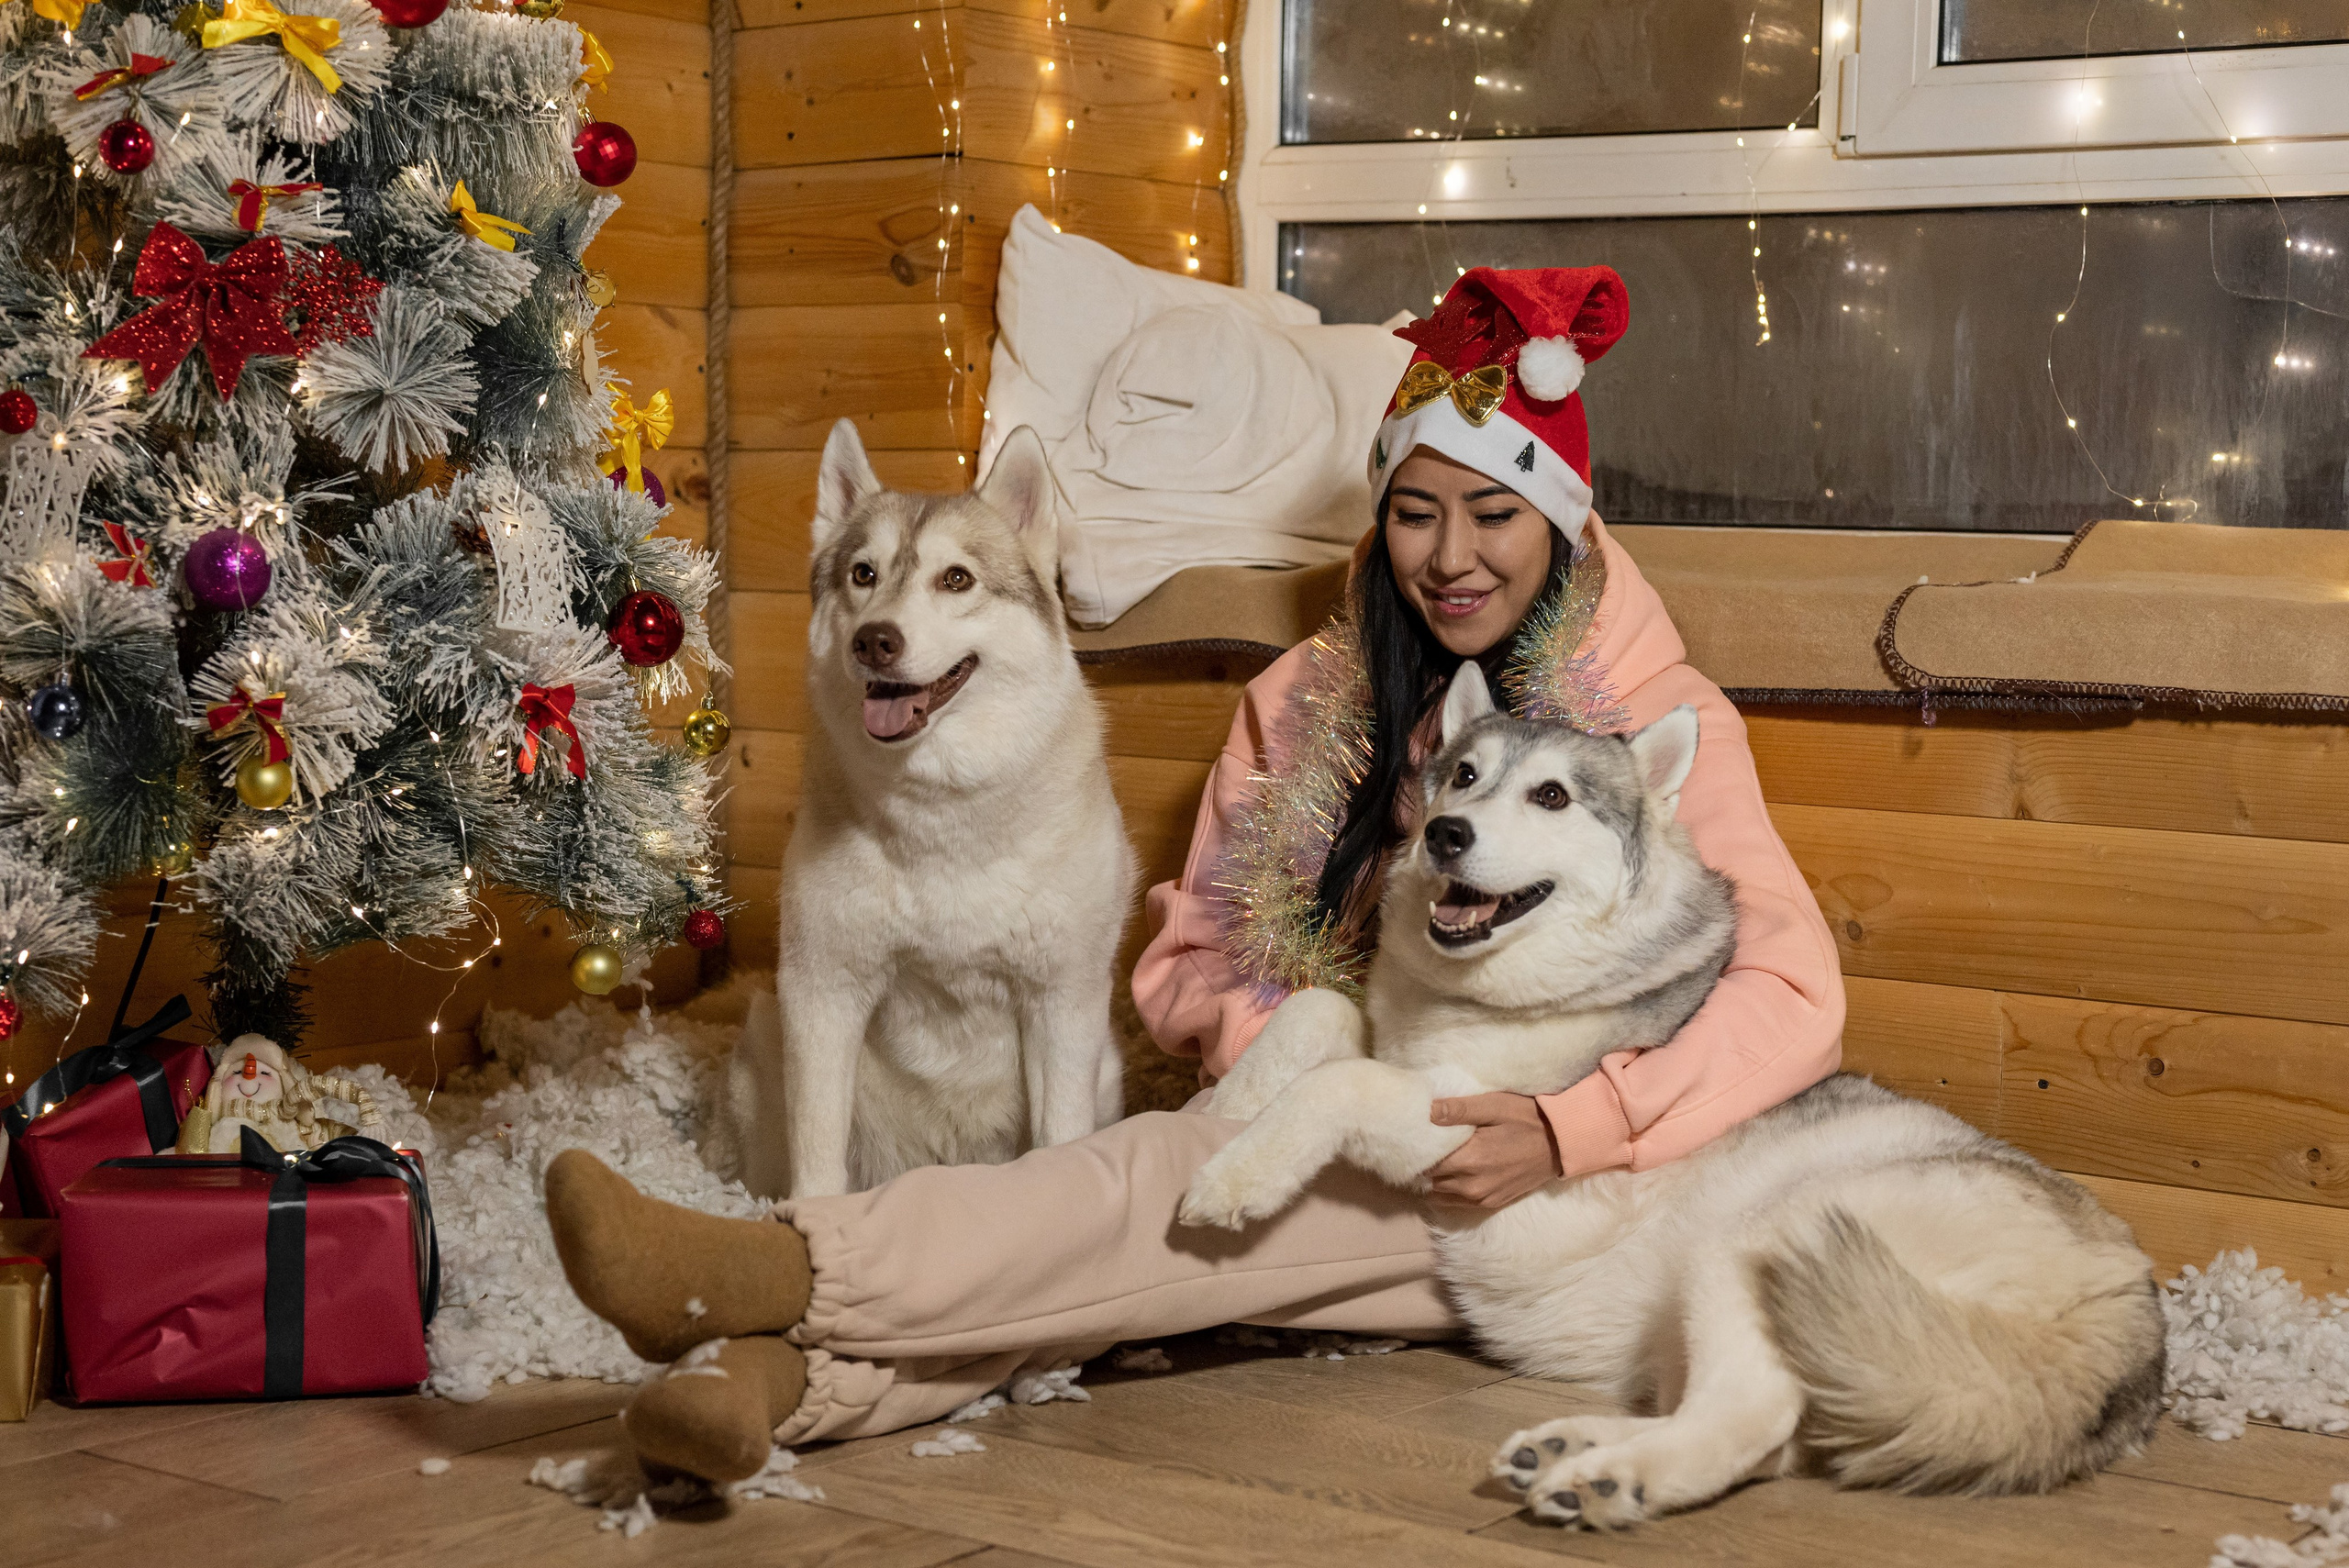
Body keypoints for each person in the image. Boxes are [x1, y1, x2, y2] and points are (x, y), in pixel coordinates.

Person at [542, 266, 1846, 1485]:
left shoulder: (1652, 730)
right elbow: (1189, 966)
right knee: (1132, 1239)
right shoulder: (1295, 704)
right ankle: (767, 1379)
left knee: (1132, 1225)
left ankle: (769, 1279)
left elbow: (1794, 992)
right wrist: (1309, 1065)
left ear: (1558, 521)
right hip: (1359, 1113)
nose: (1453, 555)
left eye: (1495, 513)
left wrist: (1576, 1126)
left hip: (1575, 1183)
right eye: (1416, 512)